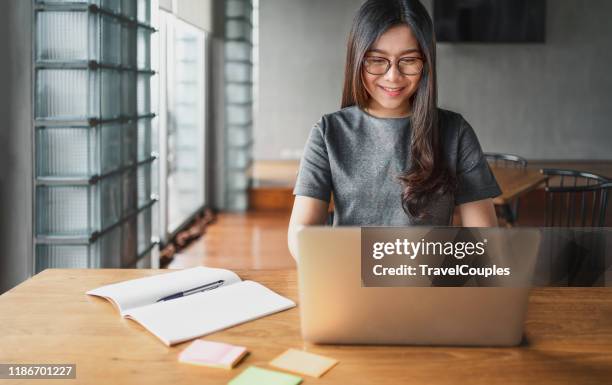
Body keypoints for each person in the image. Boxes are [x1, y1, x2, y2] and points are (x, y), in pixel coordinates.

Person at [288, 0, 501, 260]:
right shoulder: (328, 132)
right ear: (358, 58)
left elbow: (484, 238)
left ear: (426, 63)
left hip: (428, 285)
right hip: (349, 280)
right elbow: (301, 232)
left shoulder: (455, 132)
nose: (393, 76)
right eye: (377, 60)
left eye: (409, 60)